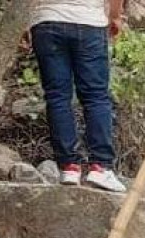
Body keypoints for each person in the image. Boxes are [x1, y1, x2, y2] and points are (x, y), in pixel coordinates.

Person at [30, 0, 126, 192]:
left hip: (47, 20)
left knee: (57, 97)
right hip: (89, 21)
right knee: (96, 97)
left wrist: (28, 21)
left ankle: (69, 167)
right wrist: (115, 16)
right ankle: (100, 166)